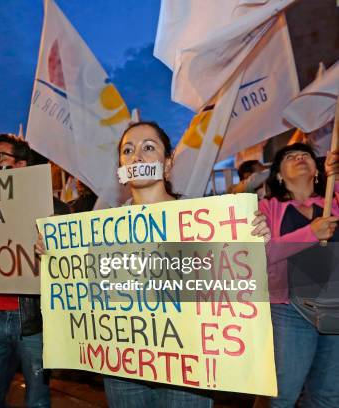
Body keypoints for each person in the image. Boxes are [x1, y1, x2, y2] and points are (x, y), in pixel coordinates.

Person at [99, 121, 270, 407]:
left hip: (189, 364)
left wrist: (251, 241)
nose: (136, 157)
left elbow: (229, 282)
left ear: (167, 165)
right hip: (124, 363)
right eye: (128, 150)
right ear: (120, 167)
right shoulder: (99, 228)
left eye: (148, 148)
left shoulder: (206, 219)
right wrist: (55, 254)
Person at [0, 133, 68, 408]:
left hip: (33, 321)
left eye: (1, 156)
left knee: (37, 400)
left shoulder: (55, 209)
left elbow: (72, 265)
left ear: (22, 164)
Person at [257, 143, 339, 407]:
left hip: (334, 306)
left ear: (317, 169)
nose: (300, 157)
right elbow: (261, 254)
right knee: (283, 394)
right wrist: (310, 234)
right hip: (288, 309)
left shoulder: (333, 200)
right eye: (289, 156)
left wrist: (335, 178)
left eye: (306, 155)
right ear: (279, 175)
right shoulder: (266, 208)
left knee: (328, 395)